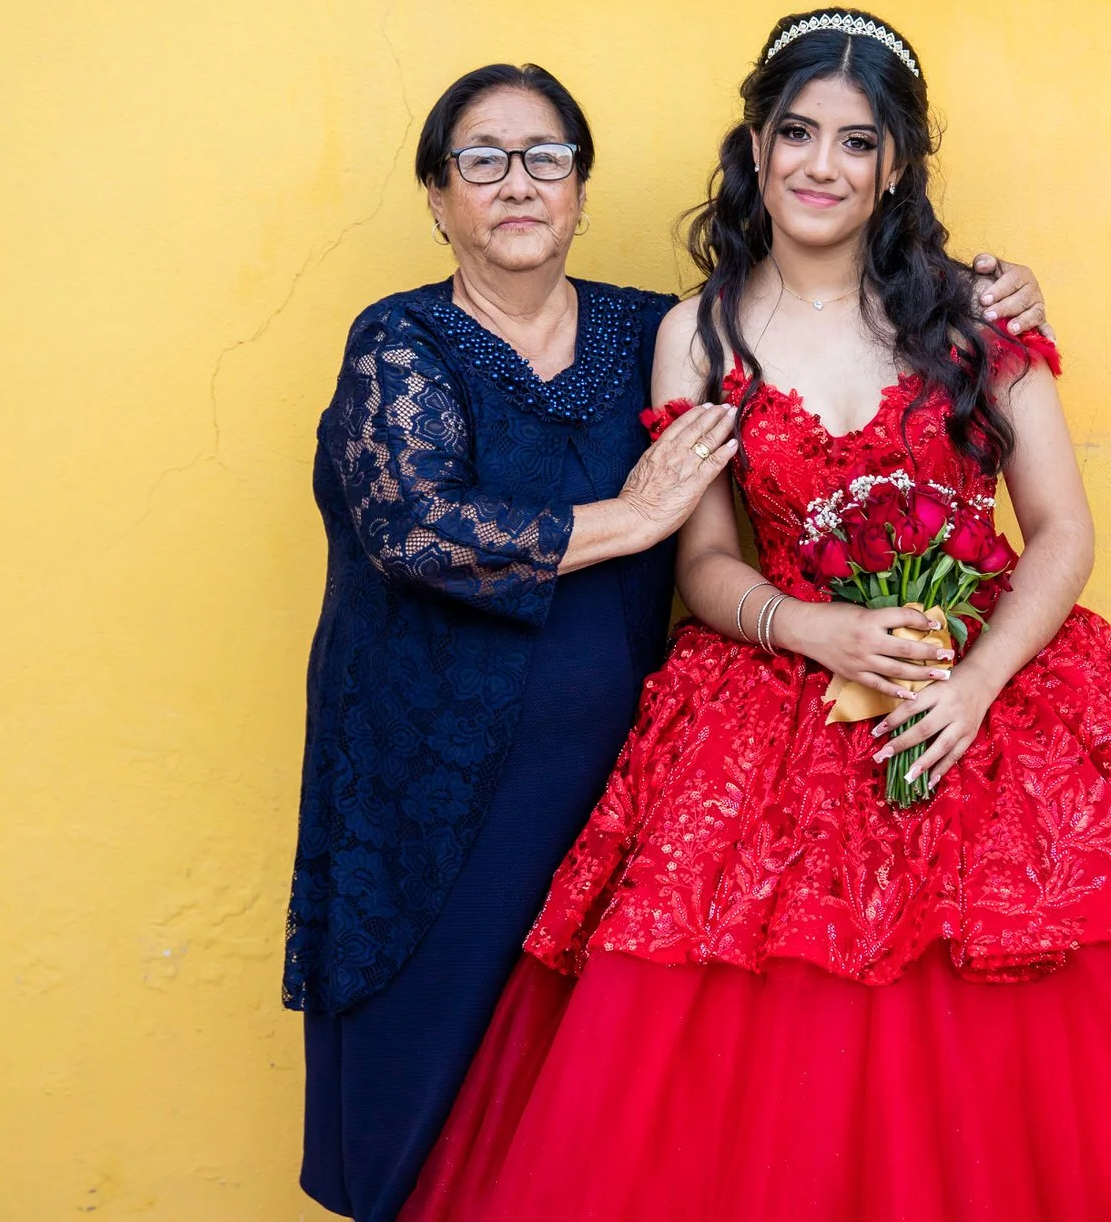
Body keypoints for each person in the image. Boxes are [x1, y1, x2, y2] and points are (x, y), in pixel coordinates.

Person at [396, 11, 1111, 1222]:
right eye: (795, 133)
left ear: (894, 166)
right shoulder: (694, 334)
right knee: (783, 1071)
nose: (819, 164)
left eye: (855, 141)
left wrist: (973, 686)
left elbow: (1059, 530)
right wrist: (807, 627)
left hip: (996, 695)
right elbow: (702, 560)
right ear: (754, 147)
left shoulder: (976, 317)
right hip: (780, 707)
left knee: (1055, 1057)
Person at [284, 60, 1051, 1222]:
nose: (517, 184)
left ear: (580, 189)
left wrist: (999, 290)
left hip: (611, 782)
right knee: (427, 1084)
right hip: (433, 778)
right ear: (437, 197)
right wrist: (634, 518)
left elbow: (807, 316)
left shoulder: (655, 329)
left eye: (545, 158)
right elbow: (413, 530)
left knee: (574, 1099)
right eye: (481, 161)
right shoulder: (401, 341)